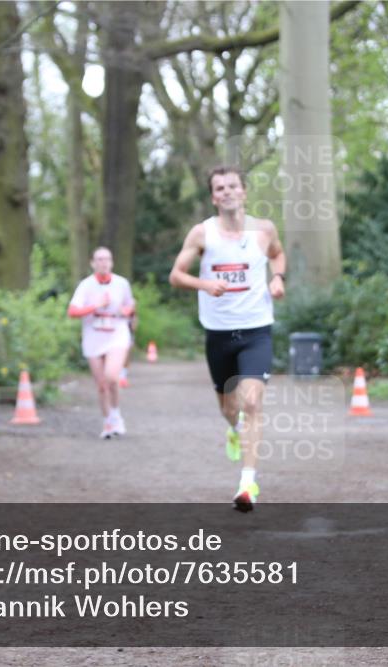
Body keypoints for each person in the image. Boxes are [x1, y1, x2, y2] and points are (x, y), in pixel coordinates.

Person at [169, 165, 286, 512]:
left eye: (232, 186)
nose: (227, 192)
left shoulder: (264, 230)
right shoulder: (202, 234)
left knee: (252, 402)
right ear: (213, 197)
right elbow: (176, 275)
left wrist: (277, 278)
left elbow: (277, 254)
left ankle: (247, 482)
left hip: (255, 330)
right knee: (228, 407)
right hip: (219, 333)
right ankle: (232, 429)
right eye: (219, 188)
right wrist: (205, 284)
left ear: (244, 192)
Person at [68, 247, 135, 439]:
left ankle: (116, 414)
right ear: (92, 263)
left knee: (112, 376)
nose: (103, 263)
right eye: (99, 259)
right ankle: (108, 422)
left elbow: (130, 304)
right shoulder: (86, 285)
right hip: (93, 336)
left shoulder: (121, 283)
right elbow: (72, 312)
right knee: (101, 385)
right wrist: (95, 306)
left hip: (117, 334)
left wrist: (126, 311)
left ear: (112, 262)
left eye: (107, 259)